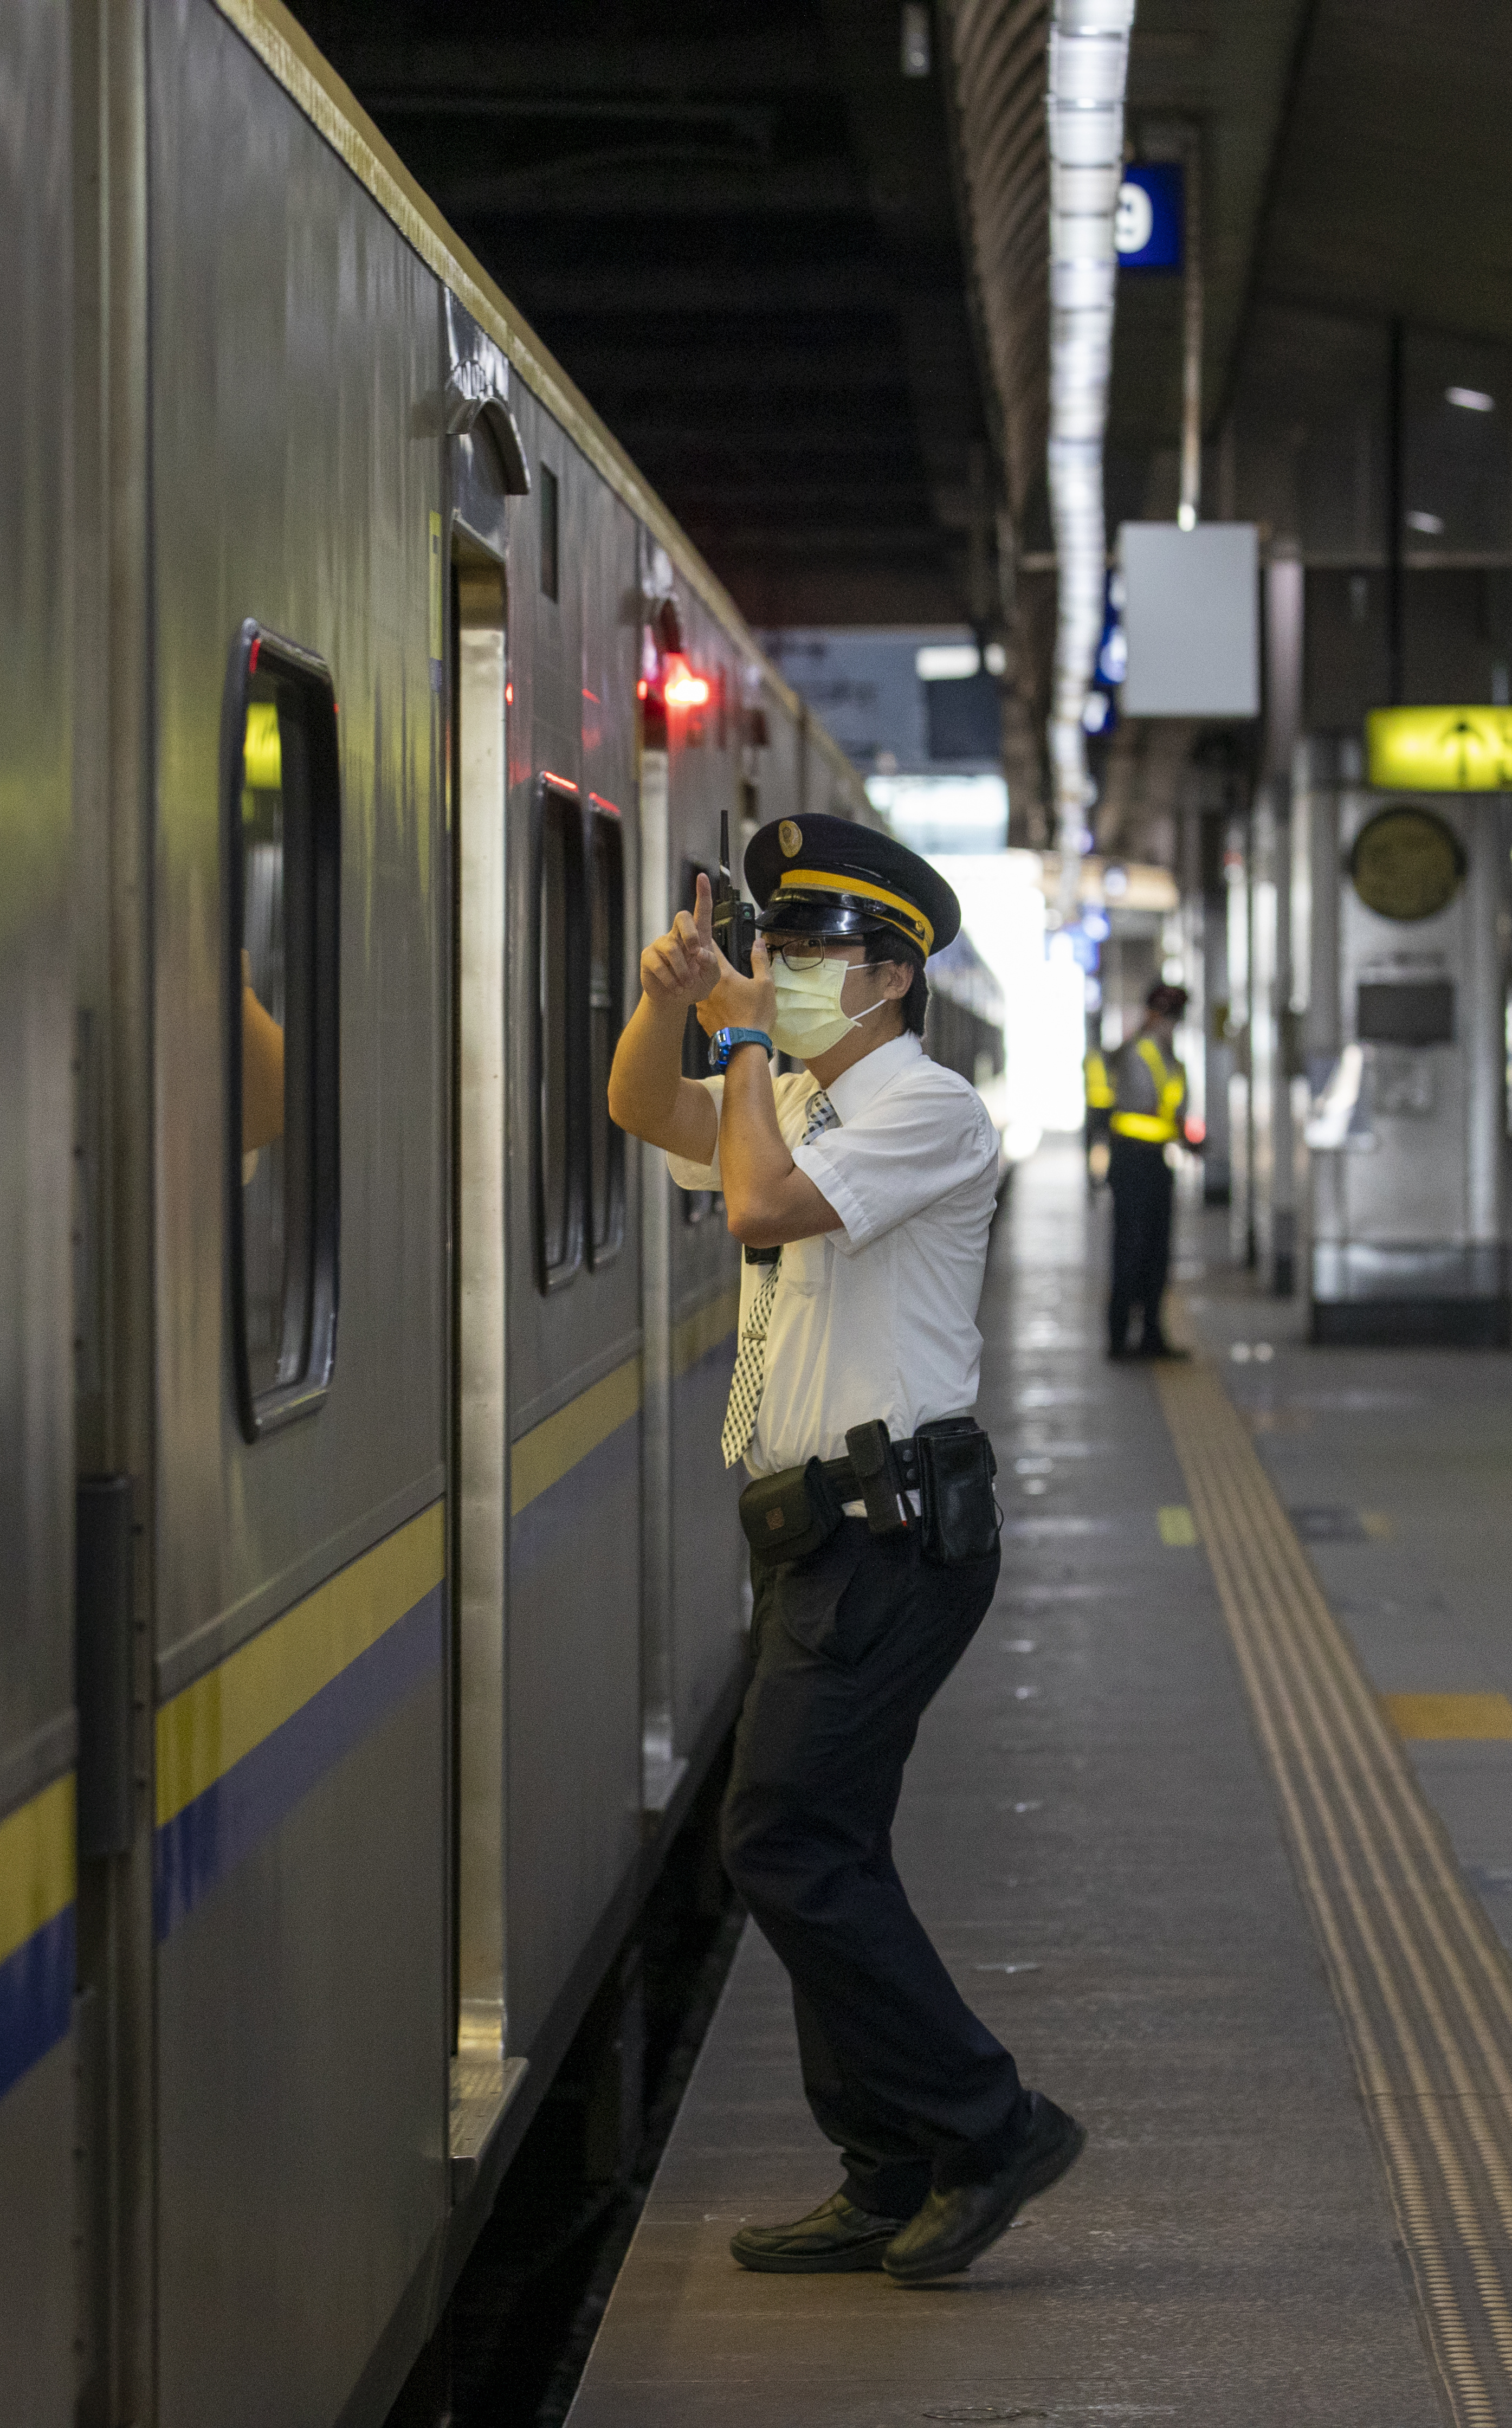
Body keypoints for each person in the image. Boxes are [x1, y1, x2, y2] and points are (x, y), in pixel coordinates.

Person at [604, 813, 1084, 2284]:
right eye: (772, 947)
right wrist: (671, 1002)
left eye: (807, 954)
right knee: (824, 1845)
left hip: (895, 1537)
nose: (780, 971)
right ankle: (882, 2168)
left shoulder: (925, 1109)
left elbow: (751, 1202)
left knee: (781, 1842)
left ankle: (990, 2127)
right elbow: (641, 1111)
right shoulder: (803, 1100)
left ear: (891, 975)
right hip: (818, 1536)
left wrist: (746, 1045)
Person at [1085, 984, 1191, 1359]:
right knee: (1133, 1250)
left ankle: (1150, 1336)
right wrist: (1177, 1132)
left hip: (1151, 1161)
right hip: (1136, 1163)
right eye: (1172, 1018)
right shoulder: (1142, 1053)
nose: (1174, 1026)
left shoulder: (1159, 1052)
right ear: (1157, 1014)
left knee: (1154, 1252)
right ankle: (1121, 1339)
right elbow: (1142, 1114)